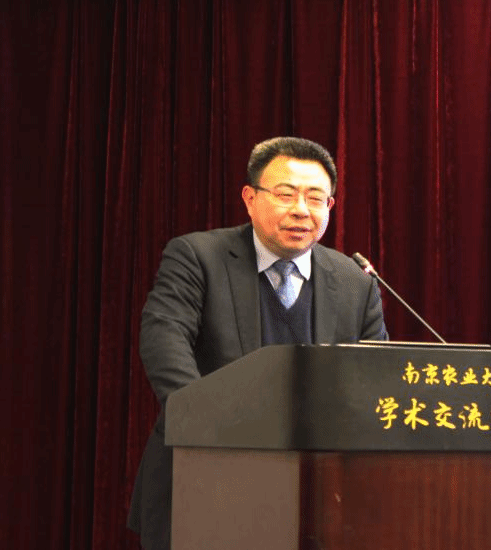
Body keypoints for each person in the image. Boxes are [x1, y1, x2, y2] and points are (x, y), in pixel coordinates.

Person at [127, 136, 388, 550]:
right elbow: (165, 340)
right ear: (249, 199)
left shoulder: (354, 281)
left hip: (316, 494)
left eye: (315, 198)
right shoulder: (198, 257)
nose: (301, 209)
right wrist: (208, 428)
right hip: (205, 476)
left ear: (330, 206)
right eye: (285, 194)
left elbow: (375, 377)